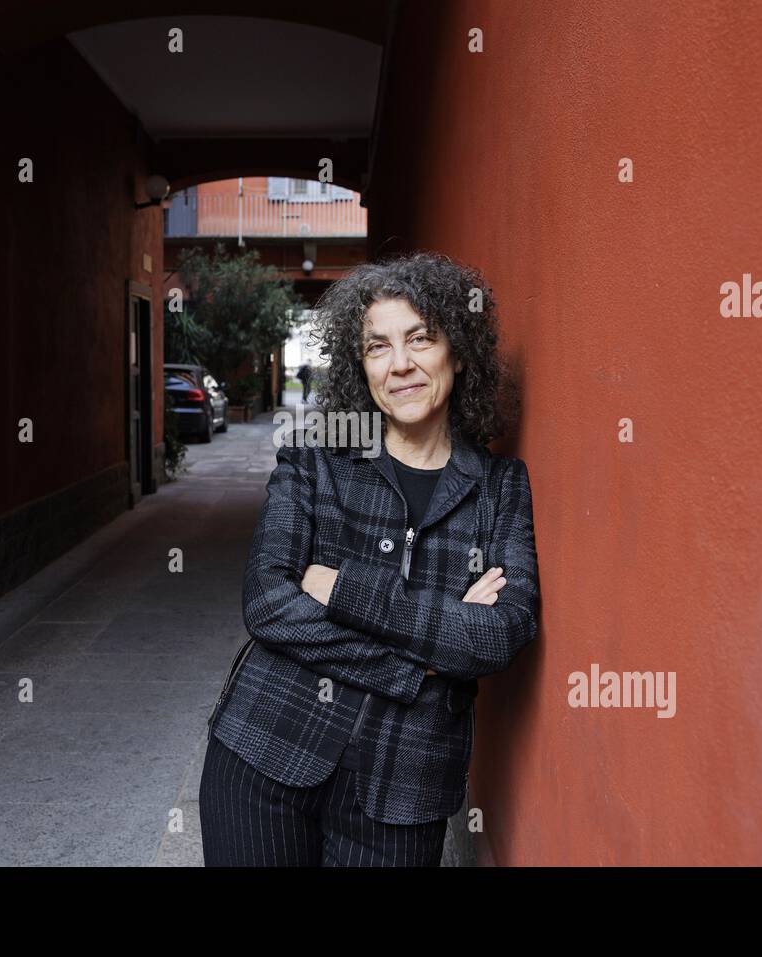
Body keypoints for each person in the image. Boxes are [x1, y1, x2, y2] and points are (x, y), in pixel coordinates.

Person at [199, 250, 540, 866]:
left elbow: (500, 635)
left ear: (457, 354)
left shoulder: (500, 487)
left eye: (421, 339)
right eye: (378, 346)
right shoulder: (314, 461)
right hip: (264, 754)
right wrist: (426, 666)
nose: (401, 364)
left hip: (405, 792)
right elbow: (270, 605)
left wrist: (342, 590)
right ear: (362, 367)